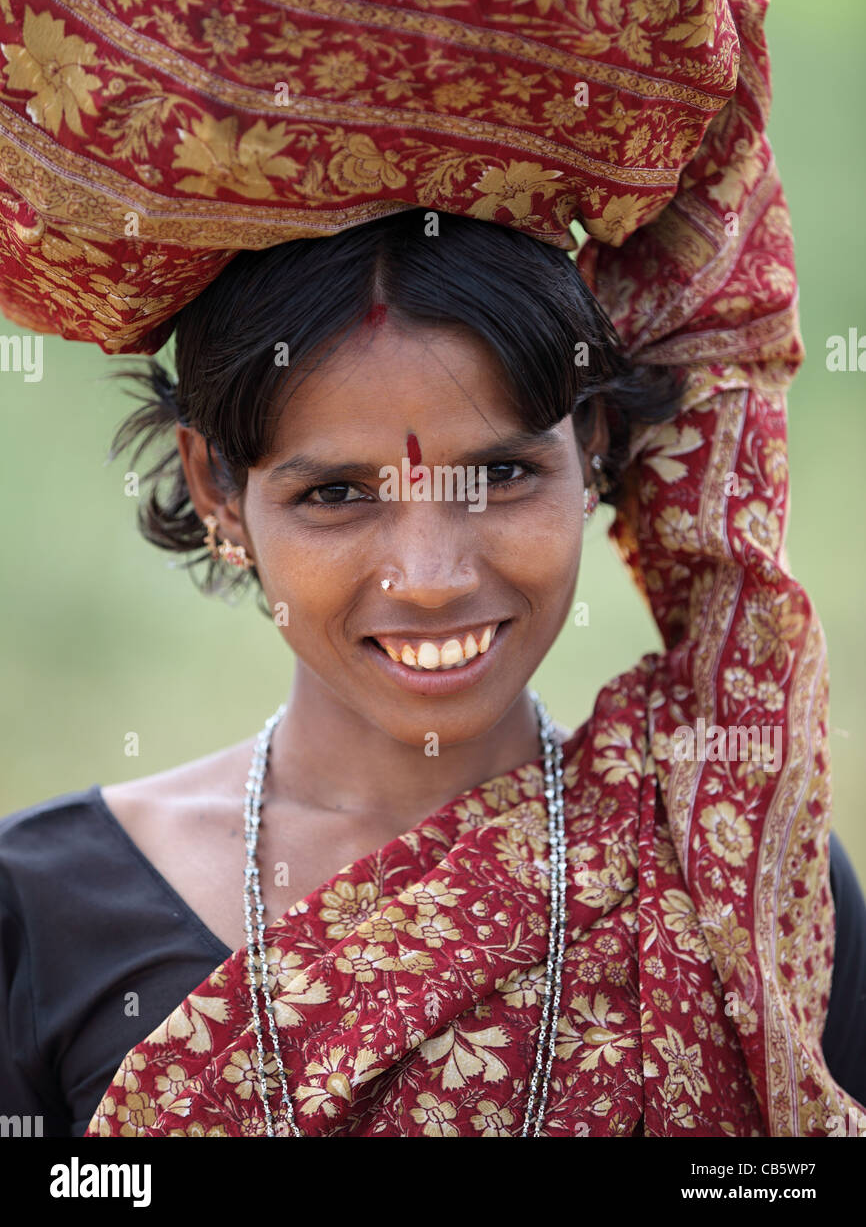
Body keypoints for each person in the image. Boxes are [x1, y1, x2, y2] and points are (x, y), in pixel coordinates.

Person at [1, 210, 863, 1137]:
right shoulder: (42, 913)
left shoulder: (733, 871)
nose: (431, 579)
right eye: (336, 493)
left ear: (592, 442)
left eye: (499, 474)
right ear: (218, 486)